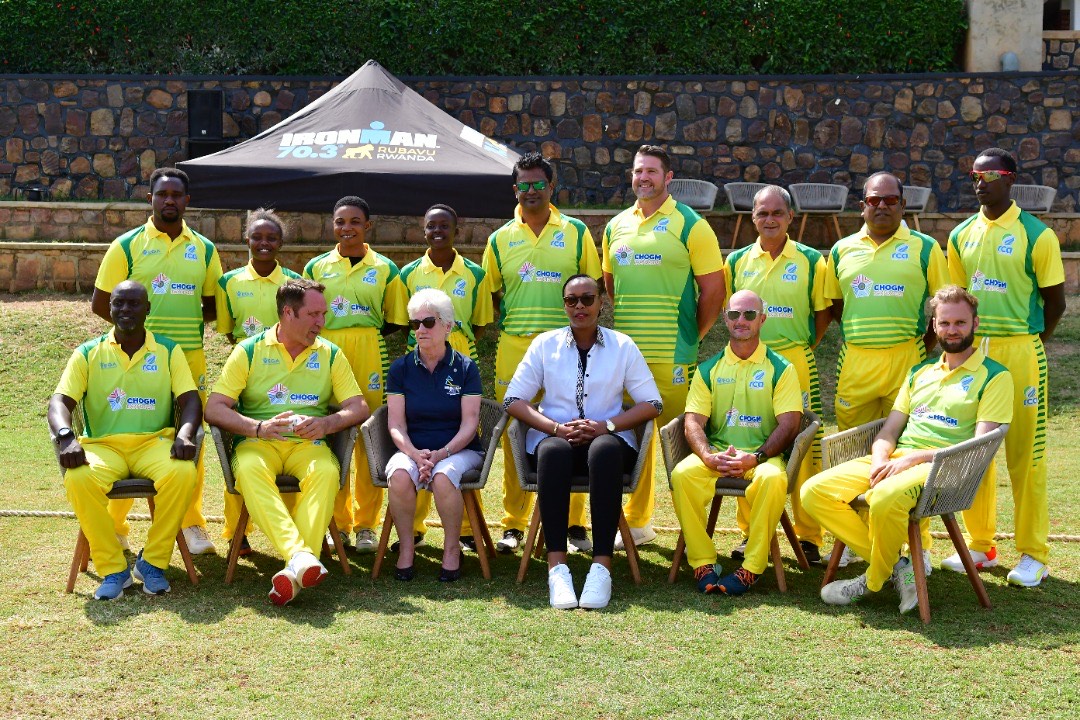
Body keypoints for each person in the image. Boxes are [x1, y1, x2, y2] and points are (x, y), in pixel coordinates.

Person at [802, 285, 1013, 613]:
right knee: (813, 491)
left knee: (885, 498)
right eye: (944, 323)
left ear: (975, 323)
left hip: (947, 467)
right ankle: (898, 565)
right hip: (898, 460)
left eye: (960, 322)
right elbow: (889, 430)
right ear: (933, 325)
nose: (951, 330)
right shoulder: (919, 373)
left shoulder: (995, 376)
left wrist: (915, 458)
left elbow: (978, 444)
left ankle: (870, 581)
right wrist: (880, 458)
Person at [204, 279, 369, 605]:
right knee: (250, 470)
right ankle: (300, 555)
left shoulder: (330, 353)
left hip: (308, 446)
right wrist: (257, 427)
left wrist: (327, 423)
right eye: (313, 314)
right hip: (258, 443)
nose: (322, 321)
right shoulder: (248, 350)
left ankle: (294, 569)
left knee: (325, 472)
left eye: (323, 313)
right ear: (288, 313)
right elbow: (214, 407)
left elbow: (359, 407)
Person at [944, 147, 1066, 587]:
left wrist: (1030, 343)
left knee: (1024, 455)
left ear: (1011, 179)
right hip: (975, 353)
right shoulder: (960, 235)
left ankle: (1034, 553)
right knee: (974, 451)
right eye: (974, 174)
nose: (980, 181)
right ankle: (982, 545)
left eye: (990, 174)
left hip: (1019, 350)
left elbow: (1056, 304)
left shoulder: (1038, 235)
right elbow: (954, 301)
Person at [504, 275, 661, 609]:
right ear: (564, 305)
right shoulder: (545, 344)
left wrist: (608, 425)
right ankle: (557, 568)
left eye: (587, 299)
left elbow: (652, 403)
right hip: (555, 439)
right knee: (554, 452)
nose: (579, 306)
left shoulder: (622, 346)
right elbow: (513, 399)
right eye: (571, 300)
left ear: (601, 303)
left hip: (608, 441)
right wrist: (555, 428)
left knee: (604, 450)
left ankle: (601, 568)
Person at [91, 167, 222, 556]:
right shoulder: (126, 245)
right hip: (136, 360)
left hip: (189, 359)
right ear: (150, 199)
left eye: (177, 195)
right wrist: (140, 336)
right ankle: (115, 527)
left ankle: (192, 523)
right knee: (129, 435)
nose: (169, 200)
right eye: (162, 194)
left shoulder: (204, 248)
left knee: (189, 440)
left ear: (187, 200)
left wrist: (176, 338)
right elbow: (102, 304)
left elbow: (212, 306)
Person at [602, 145, 725, 549]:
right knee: (633, 442)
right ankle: (638, 523)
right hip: (625, 359)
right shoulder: (615, 226)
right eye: (638, 171)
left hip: (674, 357)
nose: (644, 178)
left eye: (652, 172)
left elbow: (713, 291)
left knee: (681, 444)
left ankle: (693, 531)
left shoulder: (692, 225)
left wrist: (694, 334)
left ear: (668, 178)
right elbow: (611, 286)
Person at [49, 280, 200, 600]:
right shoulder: (88, 352)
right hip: (103, 445)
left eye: (133, 304)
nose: (125, 310)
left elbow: (190, 401)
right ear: (109, 308)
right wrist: (66, 437)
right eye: (118, 303)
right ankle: (113, 568)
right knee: (78, 478)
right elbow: (59, 403)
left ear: (147, 309)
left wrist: (185, 434)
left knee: (184, 472)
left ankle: (152, 563)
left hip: (153, 444)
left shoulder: (168, 350)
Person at [482, 152, 602, 555]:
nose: (531, 191)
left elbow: (590, 287)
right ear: (514, 189)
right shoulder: (499, 238)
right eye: (524, 185)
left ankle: (573, 522)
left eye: (539, 184)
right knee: (513, 431)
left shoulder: (576, 231)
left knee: (574, 425)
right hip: (515, 345)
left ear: (552, 188)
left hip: (566, 347)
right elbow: (495, 294)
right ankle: (514, 524)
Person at [722, 185, 831, 564]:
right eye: (762, 213)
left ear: (790, 218)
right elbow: (733, 315)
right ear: (752, 217)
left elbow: (822, 314)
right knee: (748, 437)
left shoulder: (810, 259)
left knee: (804, 449)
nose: (769, 220)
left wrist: (796, 347)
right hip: (749, 362)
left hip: (796, 361)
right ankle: (751, 535)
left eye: (777, 213)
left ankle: (809, 537)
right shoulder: (736, 261)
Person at [670, 289, 802, 596]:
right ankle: (702, 561)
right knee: (682, 475)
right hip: (717, 455)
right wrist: (706, 455)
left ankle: (752, 568)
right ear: (725, 320)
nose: (740, 321)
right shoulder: (708, 368)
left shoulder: (781, 368)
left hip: (761, 459)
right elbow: (693, 421)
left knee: (772, 480)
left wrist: (755, 457)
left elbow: (790, 424)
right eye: (733, 314)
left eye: (749, 314)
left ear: (762, 319)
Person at [303, 196, 409, 553]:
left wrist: (362, 334)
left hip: (369, 352)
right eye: (339, 222)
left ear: (368, 225)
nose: (346, 228)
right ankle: (337, 522)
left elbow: (396, 319)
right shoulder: (316, 267)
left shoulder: (385, 268)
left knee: (368, 438)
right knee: (331, 435)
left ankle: (366, 525)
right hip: (326, 353)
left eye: (354, 221)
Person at [398, 205, 492, 550]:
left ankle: (467, 530)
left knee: (463, 435)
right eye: (430, 226)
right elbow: (402, 322)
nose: (437, 231)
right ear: (423, 230)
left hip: (460, 358)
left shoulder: (475, 274)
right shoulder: (407, 273)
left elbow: (480, 323)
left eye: (444, 226)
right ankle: (417, 529)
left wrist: (453, 344)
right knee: (420, 434)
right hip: (420, 362)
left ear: (457, 228)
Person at [215, 208, 302, 556]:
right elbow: (227, 330)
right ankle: (238, 530)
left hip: (291, 373)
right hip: (246, 370)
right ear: (246, 240)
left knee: (291, 442)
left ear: (281, 242)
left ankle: (297, 530)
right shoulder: (230, 281)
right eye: (257, 237)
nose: (264, 243)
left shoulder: (295, 281)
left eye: (271, 238)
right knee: (239, 447)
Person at [385, 289, 484, 582]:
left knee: (443, 476)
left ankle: (451, 550)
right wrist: (415, 455)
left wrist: (441, 454)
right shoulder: (400, 368)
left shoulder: (466, 367)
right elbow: (395, 425)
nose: (420, 330)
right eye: (415, 324)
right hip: (413, 449)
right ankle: (406, 549)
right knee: (400, 475)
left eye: (428, 322)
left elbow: (470, 424)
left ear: (448, 326)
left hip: (459, 449)